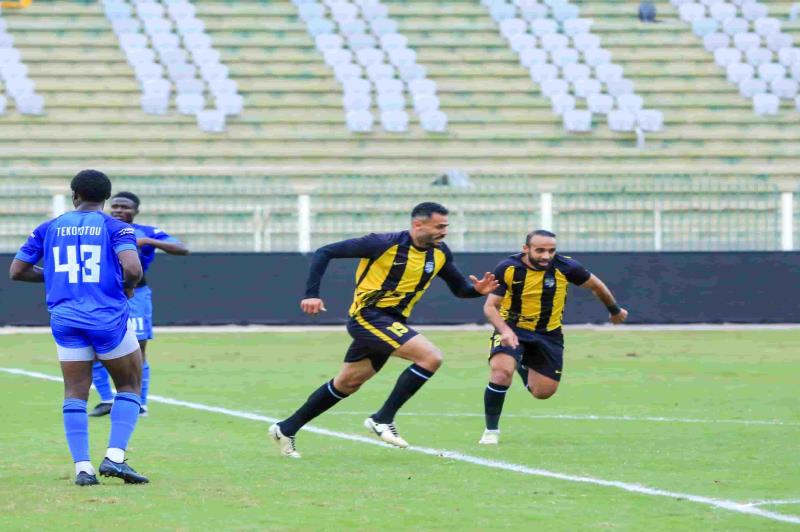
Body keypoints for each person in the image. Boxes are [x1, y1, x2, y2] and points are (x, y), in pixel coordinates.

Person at [269, 202, 498, 458]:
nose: (444, 231)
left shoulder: (440, 253)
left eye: (446, 226)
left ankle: (286, 428)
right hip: (368, 316)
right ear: (418, 225)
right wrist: (312, 294)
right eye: (439, 226)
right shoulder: (382, 243)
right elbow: (325, 251)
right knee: (430, 357)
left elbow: (460, 289)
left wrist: (477, 291)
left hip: (393, 322)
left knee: (348, 383)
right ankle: (382, 418)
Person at [9, 170, 149, 485]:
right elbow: (133, 269)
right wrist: (126, 288)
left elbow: (17, 271)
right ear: (106, 198)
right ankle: (115, 458)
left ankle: (83, 469)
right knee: (129, 385)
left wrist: (58, 276)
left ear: (74, 195)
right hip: (106, 318)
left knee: (74, 391)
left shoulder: (48, 228)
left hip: (65, 319)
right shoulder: (116, 227)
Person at [479, 230, 628, 445]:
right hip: (512, 328)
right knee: (501, 373)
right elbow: (490, 306)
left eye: (551, 251)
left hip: (548, 333)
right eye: (540, 250)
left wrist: (614, 310)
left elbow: (596, 286)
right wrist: (505, 330)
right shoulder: (508, 268)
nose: (546, 256)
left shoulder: (567, 267)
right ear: (526, 249)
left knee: (543, 392)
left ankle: (522, 364)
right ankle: (491, 431)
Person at [89, 191, 189, 418]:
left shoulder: (148, 232)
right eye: (115, 206)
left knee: (137, 349)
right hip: (102, 295)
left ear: (136, 211)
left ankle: (140, 403)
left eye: (125, 207)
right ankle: (106, 399)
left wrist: (147, 242)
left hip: (136, 295)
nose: (119, 210)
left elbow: (182, 248)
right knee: (95, 347)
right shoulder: (99, 228)